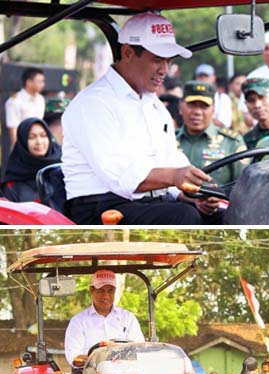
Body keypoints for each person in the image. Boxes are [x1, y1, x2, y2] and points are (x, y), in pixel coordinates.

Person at [61, 12, 223, 225]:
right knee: (184, 216)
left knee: (221, 215)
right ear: (128, 53)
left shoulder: (153, 104)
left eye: (168, 61)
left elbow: (170, 159)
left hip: (147, 202)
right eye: (157, 59)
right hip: (101, 206)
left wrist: (193, 193)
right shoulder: (94, 103)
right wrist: (175, 178)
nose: (165, 70)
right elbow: (119, 177)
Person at [64, 270, 145, 369]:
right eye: (101, 290)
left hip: (124, 373)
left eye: (110, 291)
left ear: (115, 291)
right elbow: (74, 357)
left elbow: (140, 349)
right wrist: (99, 358)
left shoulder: (128, 318)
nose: (106, 296)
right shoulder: (78, 321)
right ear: (92, 290)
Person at [176, 81, 247, 187]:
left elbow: (244, 187)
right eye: (192, 105)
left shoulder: (232, 142)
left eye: (204, 106)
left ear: (213, 109)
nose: (197, 112)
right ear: (180, 107)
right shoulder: (167, 141)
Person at [1, 118, 61, 202]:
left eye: (43, 135)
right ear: (23, 142)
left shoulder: (62, 169)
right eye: (31, 137)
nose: (39, 142)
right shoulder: (12, 185)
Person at [5, 67, 46, 148]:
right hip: (23, 145)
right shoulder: (15, 101)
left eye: (43, 81)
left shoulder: (41, 99)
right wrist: (19, 151)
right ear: (29, 82)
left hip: (39, 145)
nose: (43, 84)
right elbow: (13, 129)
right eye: (39, 81)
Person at [242, 78, 269, 149]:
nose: (257, 105)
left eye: (262, 97)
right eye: (251, 100)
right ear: (246, 104)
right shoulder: (246, 141)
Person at [194, 64, 233, 129]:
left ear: (213, 77)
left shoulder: (223, 98)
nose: (203, 79)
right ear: (196, 78)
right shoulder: (188, 97)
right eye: (200, 76)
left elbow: (224, 124)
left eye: (206, 76)